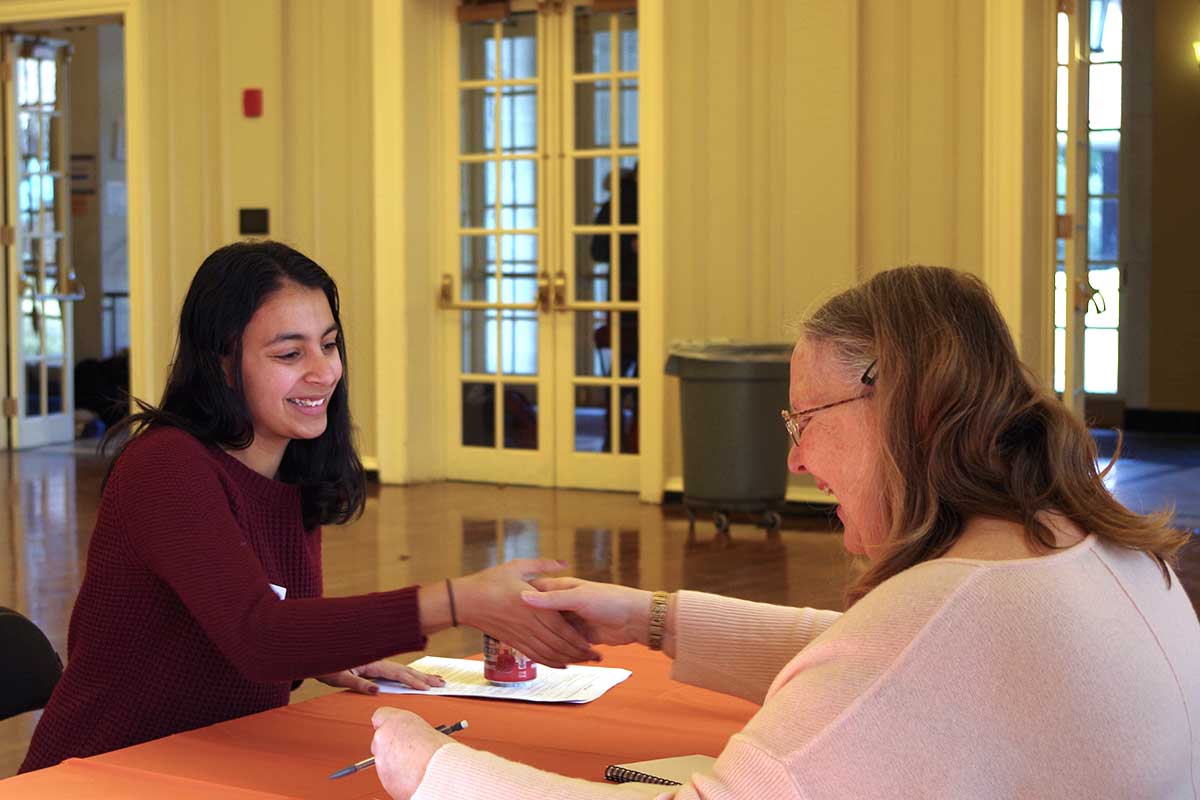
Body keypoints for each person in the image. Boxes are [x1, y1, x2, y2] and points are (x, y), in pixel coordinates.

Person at [368, 265, 1200, 798]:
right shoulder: (1075, 542)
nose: (797, 460)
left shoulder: (948, 609)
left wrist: (436, 769)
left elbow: (887, 665)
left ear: (898, 407)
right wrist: (651, 618)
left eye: (806, 419)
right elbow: (876, 665)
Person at [20, 241, 597, 772]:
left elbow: (243, 626)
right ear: (223, 363)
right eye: (289, 353)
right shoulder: (165, 467)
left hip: (213, 760)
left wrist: (320, 651)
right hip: (105, 771)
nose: (324, 372)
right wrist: (457, 601)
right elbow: (258, 634)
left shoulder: (293, 469)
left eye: (328, 344)